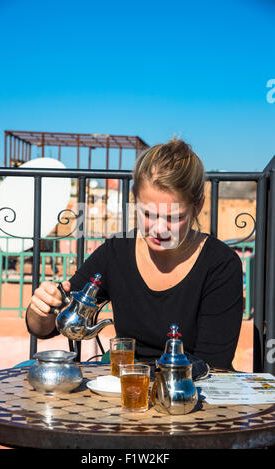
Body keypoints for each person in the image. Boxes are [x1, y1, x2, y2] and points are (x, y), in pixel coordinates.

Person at [26, 138, 243, 370]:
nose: (159, 229)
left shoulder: (220, 264)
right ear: (135, 201)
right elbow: (47, 328)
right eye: (148, 214)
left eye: (174, 217)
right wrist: (42, 309)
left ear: (197, 207)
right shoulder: (117, 252)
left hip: (187, 393)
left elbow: (213, 365)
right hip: (128, 389)